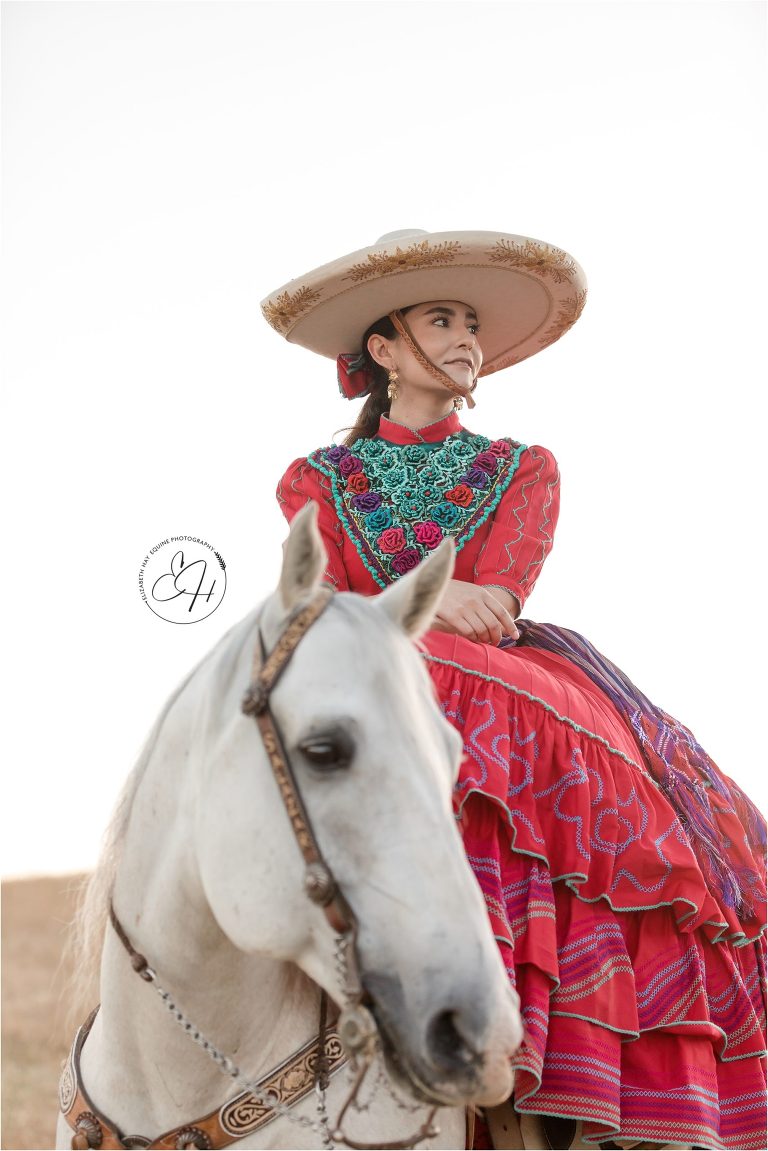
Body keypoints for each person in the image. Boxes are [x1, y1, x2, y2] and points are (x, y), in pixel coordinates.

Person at [262, 229, 766, 1150]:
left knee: (479, 693)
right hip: (374, 661)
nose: (464, 339)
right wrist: (419, 598)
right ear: (384, 348)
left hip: (497, 670)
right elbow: (319, 601)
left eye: (470, 323)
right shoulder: (314, 479)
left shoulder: (522, 466)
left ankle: (542, 1054)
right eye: (440, 320)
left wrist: (437, 600)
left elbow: (495, 607)